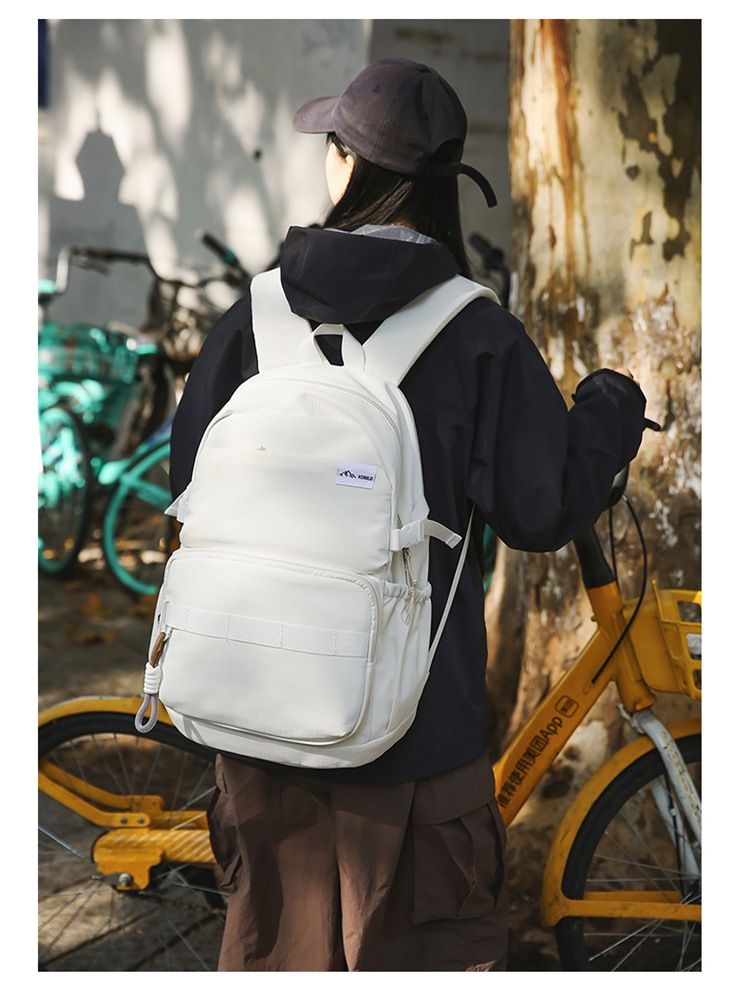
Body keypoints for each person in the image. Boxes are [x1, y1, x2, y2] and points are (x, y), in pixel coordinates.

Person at [169, 57, 647, 972]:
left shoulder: (252, 317)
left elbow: (188, 486)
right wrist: (609, 408)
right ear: (444, 186)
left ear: (346, 164)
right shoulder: (475, 333)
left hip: (251, 729)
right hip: (414, 750)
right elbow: (541, 508)